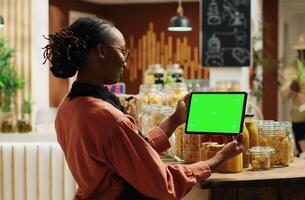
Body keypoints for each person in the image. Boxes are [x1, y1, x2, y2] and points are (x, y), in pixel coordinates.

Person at [43, 17, 244, 200]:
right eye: (122, 51)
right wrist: (219, 158)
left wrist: (175, 119)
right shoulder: (109, 118)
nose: (125, 60)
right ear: (102, 52)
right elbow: (163, 184)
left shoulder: (68, 106)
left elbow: (131, 153)